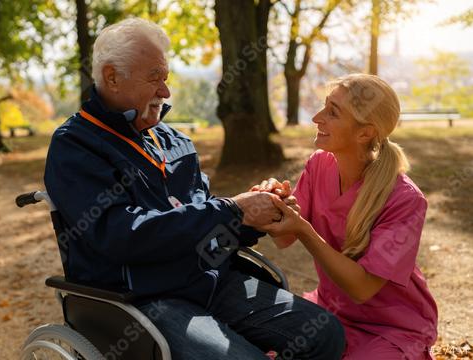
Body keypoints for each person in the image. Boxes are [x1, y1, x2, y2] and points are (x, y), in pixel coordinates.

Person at [44, 18, 345, 360]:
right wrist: (232, 209)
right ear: (112, 77)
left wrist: (250, 219)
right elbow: (122, 236)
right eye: (154, 78)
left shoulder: (176, 141)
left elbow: (201, 222)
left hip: (213, 280)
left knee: (326, 334)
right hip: (145, 299)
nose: (165, 92)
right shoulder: (76, 146)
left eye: (166, 78)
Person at [253, 74, 438, 359]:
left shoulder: (406, 199)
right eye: (323, 107)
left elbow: (362, 289)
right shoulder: (319, 165)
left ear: (364, 132)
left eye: (332, 112)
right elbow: (285, 238)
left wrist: (304, 229)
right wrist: (272, 204)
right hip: (329, 312)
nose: (317, 117)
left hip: (391, 326)